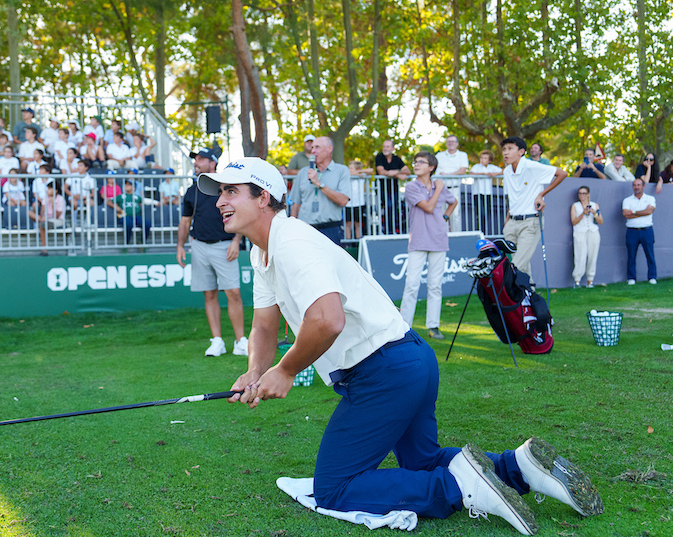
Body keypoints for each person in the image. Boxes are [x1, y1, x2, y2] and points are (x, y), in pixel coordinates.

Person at [198, 156, 603, 537]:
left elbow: (327, 320)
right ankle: (519, 468)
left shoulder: (291, 241)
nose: (220, 201)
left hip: (383, 372)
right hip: (409, 362)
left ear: (263, 197)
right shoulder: (262, 251)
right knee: (421, 464)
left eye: (231, 191)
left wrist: (284, 371)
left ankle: (462, 486)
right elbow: (265, 327)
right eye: (219, 192)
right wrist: (254, 370)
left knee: (335, 488)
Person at [177, 147, 247, 357]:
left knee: (233, 292)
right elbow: (185, 221)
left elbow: (240, 214)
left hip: (224, 245)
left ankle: (240, 341)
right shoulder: (191, 190)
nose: (196, 162)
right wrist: (180, 245)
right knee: (209, 294)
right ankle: (217, 341)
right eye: (195, 159)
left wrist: (236, 240)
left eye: (201, 159)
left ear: (212, 163)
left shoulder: (227, 187)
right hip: (199, 245)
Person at [400, 151, 458, 340]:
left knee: (435, 286)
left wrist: (445, 217)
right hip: (418, 240)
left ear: (431, 167)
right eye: (415, 162)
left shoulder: (439, 185)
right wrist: (439, 189)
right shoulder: (411, 186)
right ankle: (404, 327)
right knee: (411, 285)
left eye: (421, 162)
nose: (416, 165)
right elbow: (428, 207)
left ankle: (433, 326)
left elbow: (453, 202)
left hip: (439, 239)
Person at [501, 136, 568, 283]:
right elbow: (513, 198)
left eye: (510, 149)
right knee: (522, 266)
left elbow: (562, 173)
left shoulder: (532, 166)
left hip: (530, 222)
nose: (506, 153)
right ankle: (529, 296)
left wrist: (541, 195)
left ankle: (513, 299)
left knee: (515, 266)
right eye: (504, 149)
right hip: (512, 223)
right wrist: (507, 222)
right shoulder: (506, 171)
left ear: (521, 151)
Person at [290, 137, 352, 245]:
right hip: (305, 230)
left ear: (329, 149)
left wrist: (319, 184)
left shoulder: (341, 170)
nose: (313, 150)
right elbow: (296, 205)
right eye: (312, 147)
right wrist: (291, 230)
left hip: (331, 230)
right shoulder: (303, 173)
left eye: (317, 147)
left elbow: (343, 200)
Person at [622, 178, 657, 285]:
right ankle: (631, 278)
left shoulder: (650, 198)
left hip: (647, 230)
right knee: (631, 255)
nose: (636, 187)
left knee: (650, 254)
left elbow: (649, 211)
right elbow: (626, 214)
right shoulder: (627, 200)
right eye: (634, 185)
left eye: (638, 185)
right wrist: (642, 212)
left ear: (643, 186)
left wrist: (633, 212)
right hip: (632, 231)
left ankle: (652, 277)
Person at [374, 139, 411, 234]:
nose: (385, 148)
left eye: (387, 146)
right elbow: (381, 172)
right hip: (382, 188)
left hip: (393, 189)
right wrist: (398, 175)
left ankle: (394, 229)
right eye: (384, 146)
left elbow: (408, 171)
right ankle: (388, 230)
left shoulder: (396, 159)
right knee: (388, 205)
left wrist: (395, 172)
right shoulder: (379, 157)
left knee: (395, 207)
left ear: (393, 148)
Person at [570, 186, 602, 288]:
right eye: (580, 193)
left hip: (592, 231)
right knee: (580, 256)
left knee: (593, 256)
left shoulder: (594, 205)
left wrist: (594, 213)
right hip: (580, 231)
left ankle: (590, 280)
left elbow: (601, 221)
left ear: (588, 194)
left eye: (584, 193)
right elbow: (574, 221)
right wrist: (583, 213)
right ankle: (577, 280)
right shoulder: (575, 206)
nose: (582, 196)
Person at [469, 149, 503, 234]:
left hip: (487, 193)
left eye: (485, 158)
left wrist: (494, 174)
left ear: (489, 160)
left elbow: (503, 171)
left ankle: (483, 231)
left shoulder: (492, 167)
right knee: (481, 213)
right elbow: (471, 173)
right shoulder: (477, 167)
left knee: (486, 213)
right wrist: (483, 174)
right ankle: (479, 231)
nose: (482, 160)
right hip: (477, 193)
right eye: (481, 158)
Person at [31, 181, 64, 256]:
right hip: (46, 219)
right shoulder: (45, 198)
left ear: (55, 191)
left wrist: (52, 204)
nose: (47, 190)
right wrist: (43, 217)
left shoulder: (60, 199)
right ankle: (41, 220)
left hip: (57, 220)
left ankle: (44, 249)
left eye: (49, 189)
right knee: (29, 213)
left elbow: (57, 216)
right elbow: (42, 212)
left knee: (42, 225)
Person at [114, 178, 151, 243]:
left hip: (137, 216)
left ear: (134, 188)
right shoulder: (120, 196)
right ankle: (126, 243)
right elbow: (109, 202)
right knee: (128, 224)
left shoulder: (137, 197)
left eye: (129, 185)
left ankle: (142, 242)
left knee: (147, 224)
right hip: (125, 216)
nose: (126, 186)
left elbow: (143, 202)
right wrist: (116, 207)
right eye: (126, 184)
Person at [345, 160, 368, 240]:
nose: (349, 169)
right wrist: (355, 173)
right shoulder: (347, 175)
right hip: (348, 203)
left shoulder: (361, 175)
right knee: (348, 224)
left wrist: (359, 172)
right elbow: (347, 174)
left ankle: (358, 241)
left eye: (351, 168)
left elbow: (370, 171)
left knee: (357, 223)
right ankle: (348, 242)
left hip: (359, 203)